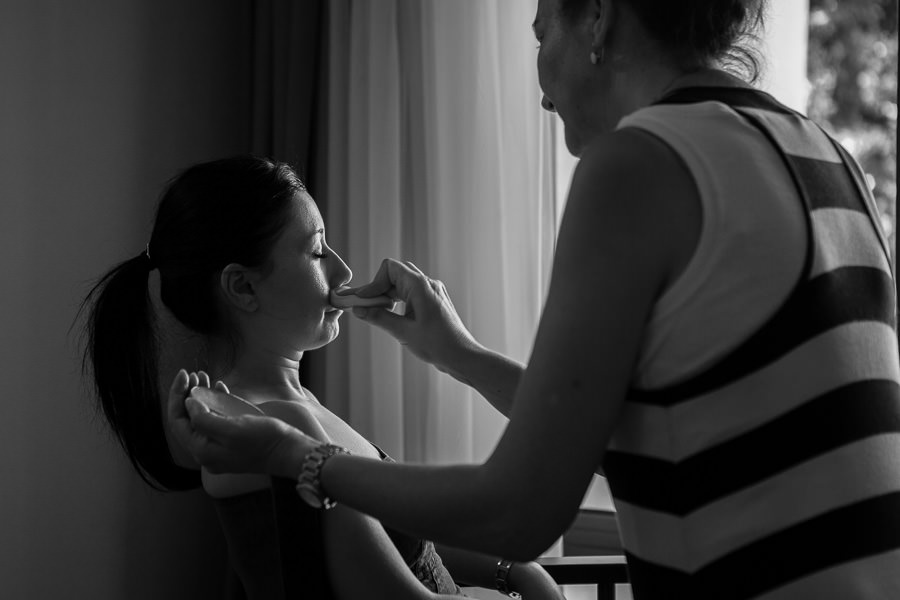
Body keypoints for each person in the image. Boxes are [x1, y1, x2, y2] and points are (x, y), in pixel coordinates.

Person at [169, 0, 900, 598]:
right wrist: (458, 355)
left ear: (600, 21)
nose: (542, 90)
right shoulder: (824, 155)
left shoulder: (642, 162)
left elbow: (519, 512)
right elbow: (675, 446)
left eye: (541, 31)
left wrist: (300, 458)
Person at [80, 155, 563, 599]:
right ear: (243, 286)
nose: (344, 268)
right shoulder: (276, 424)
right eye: (317, 252)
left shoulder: (296, 404)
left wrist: (514, 571)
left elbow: (403, 544)